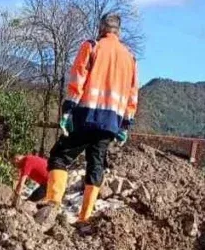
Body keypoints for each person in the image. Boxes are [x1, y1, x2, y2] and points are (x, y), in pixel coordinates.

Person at [45, 12, 139, 222]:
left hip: (86, 115)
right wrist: (125, 124)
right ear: (119, 31)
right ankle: (84, 217)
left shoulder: (92, 46)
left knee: (60, 156)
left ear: (101, 28)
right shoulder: (130, 58)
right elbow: (133, 95)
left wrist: (68, 109)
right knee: (96, 164)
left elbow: (78, 78)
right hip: (111, 122)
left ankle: (51, 207)